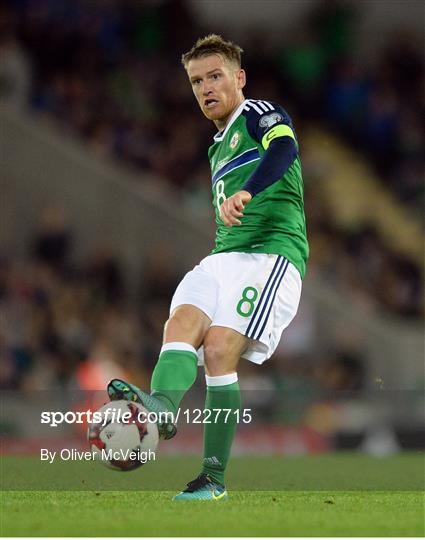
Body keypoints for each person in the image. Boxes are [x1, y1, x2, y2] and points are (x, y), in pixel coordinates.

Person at [107, 34, 309, 501]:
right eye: (197, 81)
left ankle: (212, 478)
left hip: (270, 253)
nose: (205, 88)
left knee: (219, 349)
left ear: (239, 78)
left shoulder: (259, 114)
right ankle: (160, 409)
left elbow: (284, 150)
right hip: (222, 258)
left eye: (214, 76)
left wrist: (248, 191)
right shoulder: (217, 146)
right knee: (181, 323)